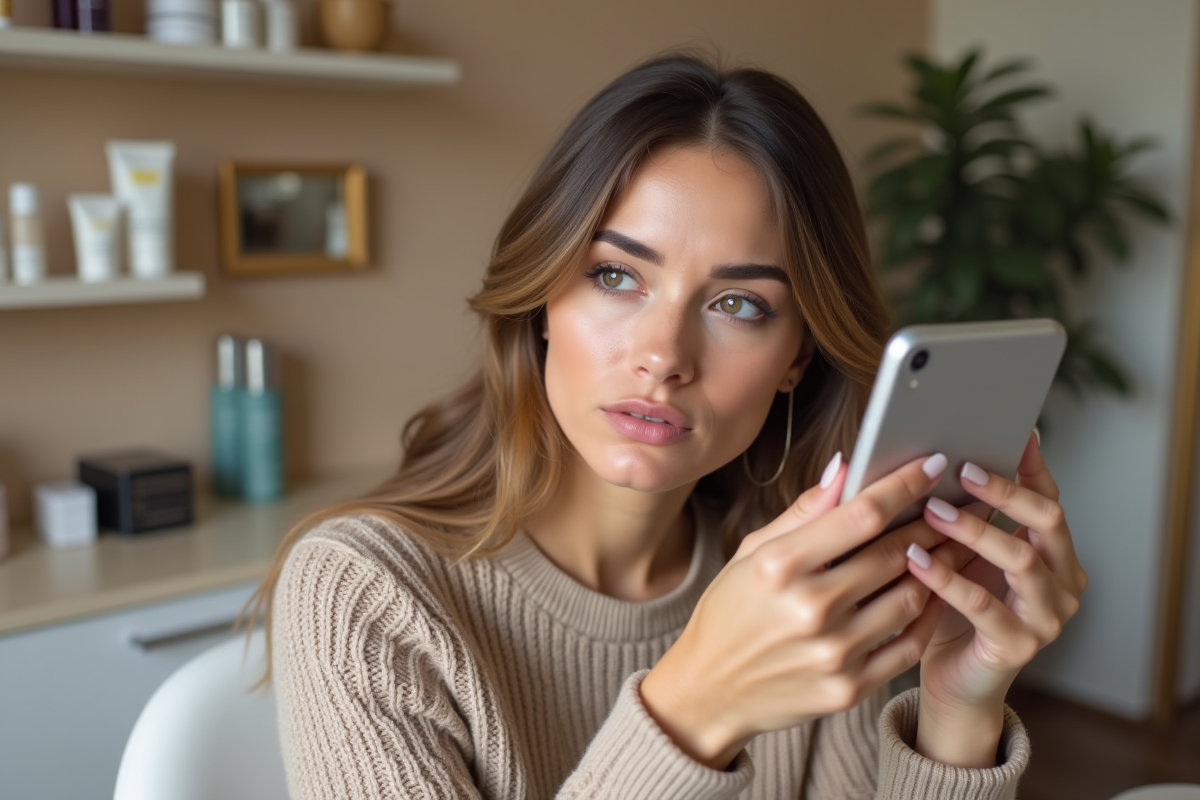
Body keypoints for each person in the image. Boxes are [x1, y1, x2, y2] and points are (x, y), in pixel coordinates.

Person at [247, 52, 1087, 799]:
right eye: (615, 276)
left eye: (736, 304)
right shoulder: (364, 593)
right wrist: (692, 709)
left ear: (798, 356)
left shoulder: (799, 583)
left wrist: (955, 711)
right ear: (543, 300)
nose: (662, 355)